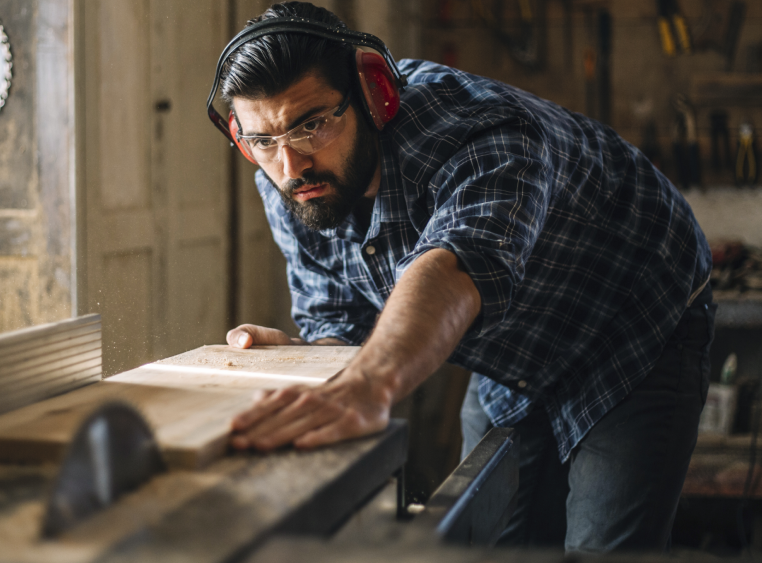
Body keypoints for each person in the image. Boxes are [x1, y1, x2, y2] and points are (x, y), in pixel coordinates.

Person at [207, 1, 714, 552]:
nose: (290, 165)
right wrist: (316, 359)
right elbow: (341, 321)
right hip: (510, 353)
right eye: (262, 140)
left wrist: (368, 385)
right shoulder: (289, 183)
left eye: (312, 125)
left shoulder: (482, 129)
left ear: (374, 95)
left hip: (631, 320)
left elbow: (456, 266)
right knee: (489, 539)